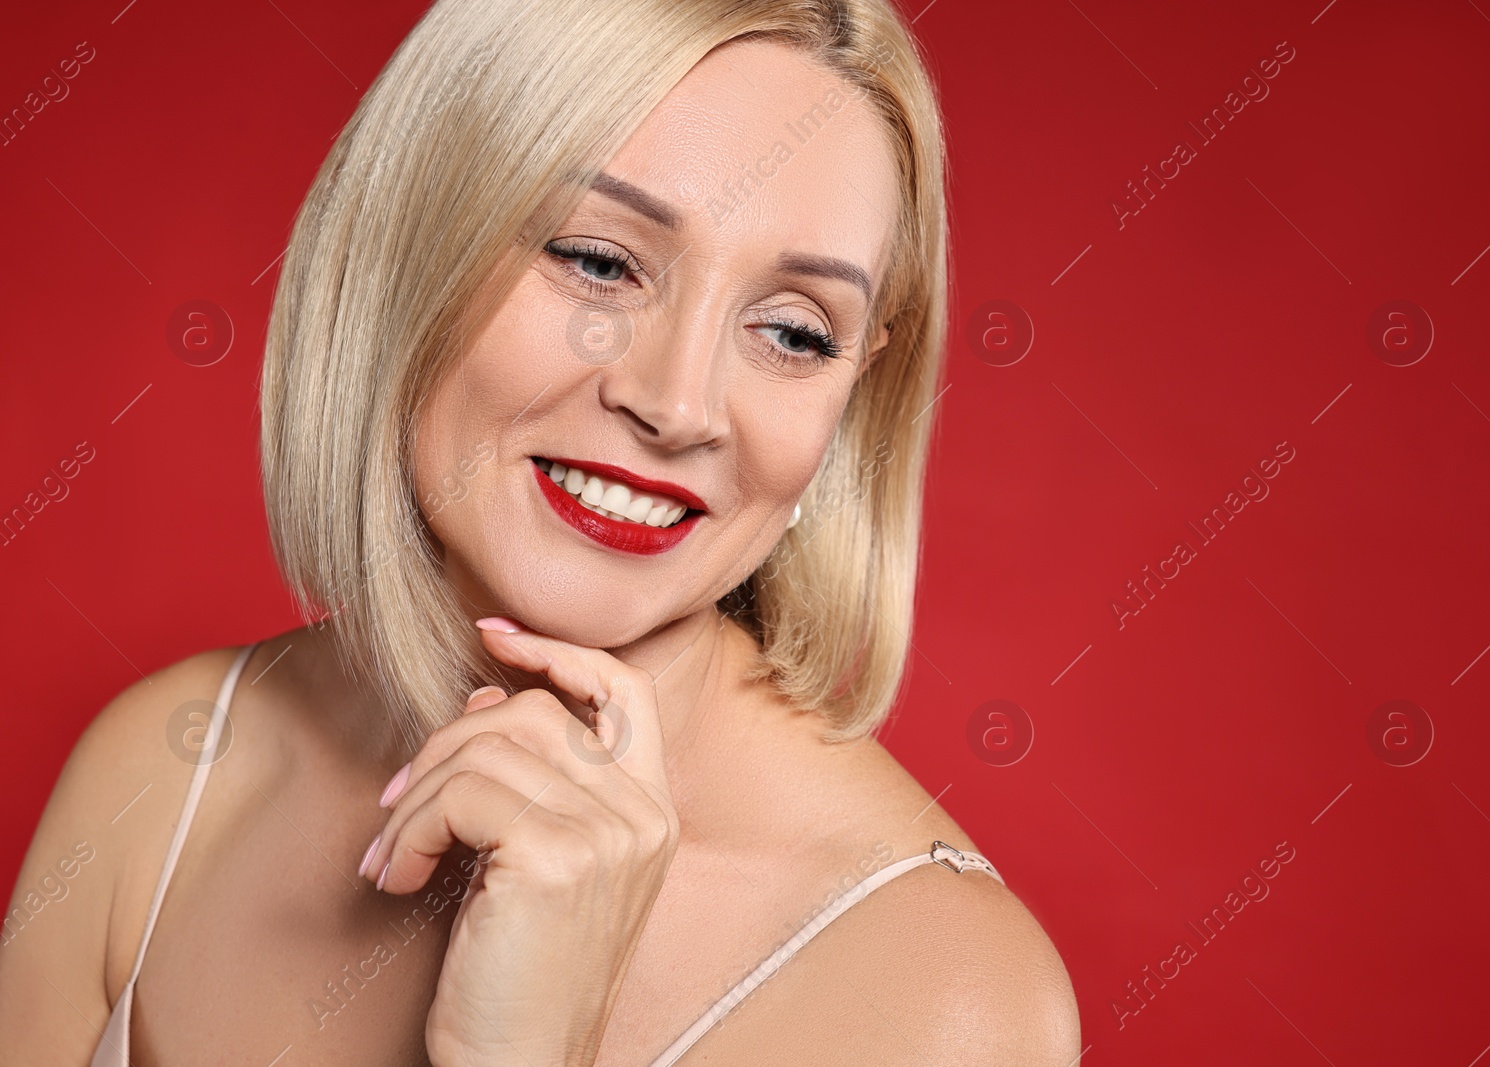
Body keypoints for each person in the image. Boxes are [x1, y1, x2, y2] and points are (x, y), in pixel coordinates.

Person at [0, 0, 1081, 1062]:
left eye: (793, 332)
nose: (679, 403)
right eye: (600, 262)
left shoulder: (944, 996)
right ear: (406, 252)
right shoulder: (171, 762)